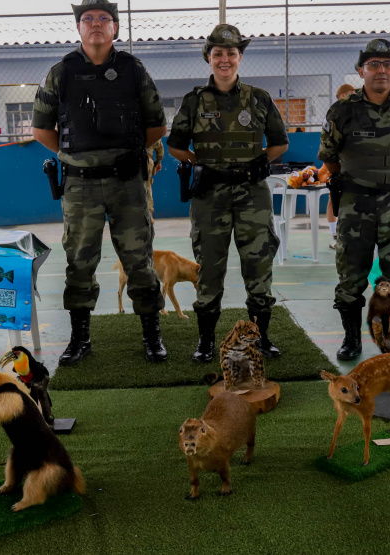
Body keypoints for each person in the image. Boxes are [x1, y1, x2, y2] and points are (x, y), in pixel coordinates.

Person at [32, 0, 168, 366]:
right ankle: (80, 339)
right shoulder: (61, 72)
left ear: (115, 28)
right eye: (88, 18)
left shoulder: (133, 70)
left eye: (103, 18)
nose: (95, 23)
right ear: (78, 28)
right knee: (79, 262)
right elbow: (41, 129)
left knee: (139, 260)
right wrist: (73, 155)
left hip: (128, 184)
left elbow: (158, 125)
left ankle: (152, 336)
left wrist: (130, 153)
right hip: (81, 187)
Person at [167, 24, 289, 363]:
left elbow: (280, 142)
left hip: (252, 193)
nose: (225, 59)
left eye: (231, 53)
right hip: (210, 194)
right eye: (218, 53)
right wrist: (199, 164)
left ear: (239, 57)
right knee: (209, 266)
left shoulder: (259, 98)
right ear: (209, 57)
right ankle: (206, 340)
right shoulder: (194, 101)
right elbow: (175, 145)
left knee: (258, 263)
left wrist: (261, 161)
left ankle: (261, 337)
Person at [318, 38, 390, 362]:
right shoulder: (342, 110)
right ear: (361, 70)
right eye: (374, 64)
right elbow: (330, 158)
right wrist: (361, 180)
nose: (381, 70)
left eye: (388, 64)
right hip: (356, 204)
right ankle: (352, 340)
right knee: (351, 274)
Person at [322, 83, 358, 248]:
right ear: (344, 95)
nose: (355, 95)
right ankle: (335, 235)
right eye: (352, 93)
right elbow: (327, 150)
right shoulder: (334, 115)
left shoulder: (360, 112)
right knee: (335, 198)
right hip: (339, 164)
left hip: (356, 166)